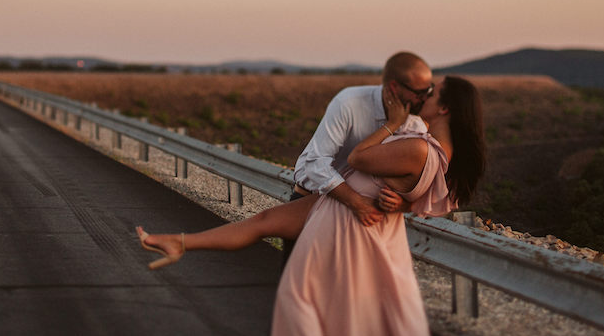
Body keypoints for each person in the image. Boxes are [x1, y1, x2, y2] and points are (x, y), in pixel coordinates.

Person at [261, 76, 485, 336]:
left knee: (305, 298)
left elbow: (359, 158)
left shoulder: (418, 144)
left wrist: (391, 125)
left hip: (349, 224)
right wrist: (405, 203)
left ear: (443, 108)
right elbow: (432, 195)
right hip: (370, 228)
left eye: (433, 91)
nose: (424, 94)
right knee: (355, 306)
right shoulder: (437, 148)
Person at [136, 51, 436, 268]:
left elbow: (419, 189)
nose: (427, 98)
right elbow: (313, 162)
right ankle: (180, 242)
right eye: (422, 91)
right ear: (396, 88)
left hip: (362, 223)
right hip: (317, 201)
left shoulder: (416, 127)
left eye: (431, 91)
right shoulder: (350, 102)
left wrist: (403, 203)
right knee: (296, 299)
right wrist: (355, 201)